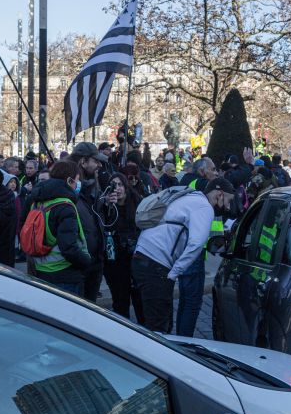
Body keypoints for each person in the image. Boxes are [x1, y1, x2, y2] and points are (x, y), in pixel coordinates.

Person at [132, 178, 236, 334]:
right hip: (155, 264)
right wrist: (174, 273)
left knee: (155, 322)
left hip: (143, 258)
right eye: (228, 200)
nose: (228, 206)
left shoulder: (190, 197)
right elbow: (196, 244)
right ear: (220, 195)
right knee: (158, 328)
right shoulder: (204, 207)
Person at [26, 160, 92, 296]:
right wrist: (86, 261)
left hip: (41, 269)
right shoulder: (65, 206)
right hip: (64, 274)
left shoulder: (38, 202)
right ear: (69, 180)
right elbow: (68, 247)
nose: (78, 184)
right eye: (77, 180)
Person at [69, 142, 116, 302]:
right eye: (95, 161)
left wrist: (107, 205)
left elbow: (99, 219)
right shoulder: (68, 188)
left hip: (96, 261)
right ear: (83, 162)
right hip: (77, 265)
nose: (99, 165)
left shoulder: (94, 186)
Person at [101, 171, 144, 322]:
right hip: (114, 262)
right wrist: (107, 206)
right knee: (120, 301)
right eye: (114, 185)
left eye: (120, 185)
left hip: (135, 259)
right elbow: (102, 225)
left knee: (140, 300)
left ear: (126, 187)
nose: (118, 189)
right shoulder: (106, 205)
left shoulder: (137, 202)